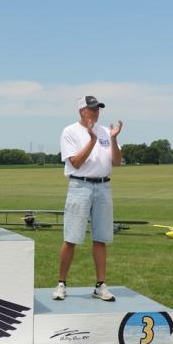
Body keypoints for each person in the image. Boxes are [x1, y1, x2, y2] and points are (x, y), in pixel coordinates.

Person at [53, 95, 123, 301]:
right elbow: (75, 162)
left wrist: (114, 139)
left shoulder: (104, 132)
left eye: (98, 108)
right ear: (81, 111)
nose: (96, 112)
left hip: (103, 186)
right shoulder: (70, 132)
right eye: (92, 109)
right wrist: (92, 140)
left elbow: (117, 162)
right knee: (71, 237)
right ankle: (61, 284)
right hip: (79, 185)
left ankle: (100, 285)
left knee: (101, 238)